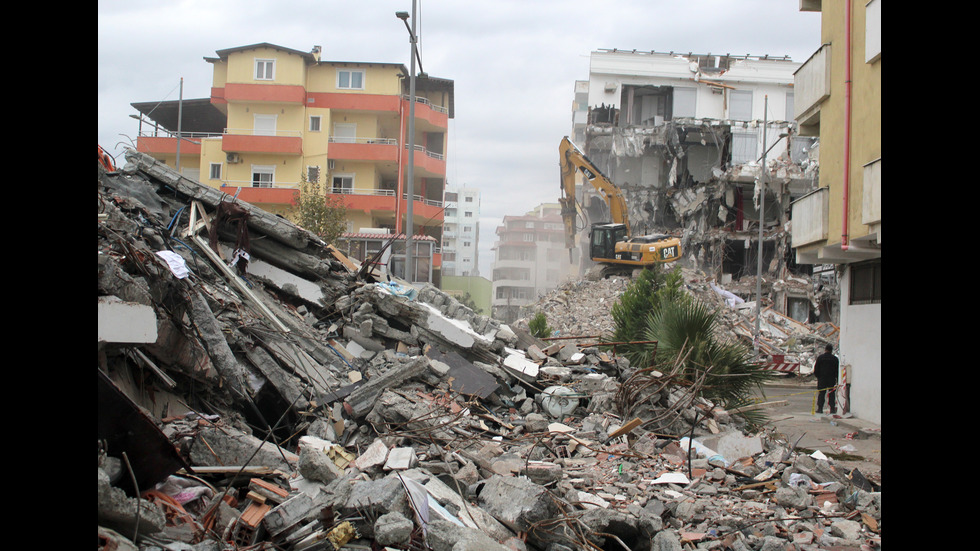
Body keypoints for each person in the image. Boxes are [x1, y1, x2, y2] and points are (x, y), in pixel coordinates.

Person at [813, 344, 840, 414]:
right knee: (831, 394)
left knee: (821, 393)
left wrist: (818, 377)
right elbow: (837, 371)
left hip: (822, 379)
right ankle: (832, 409)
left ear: (825, 349)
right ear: (831, 350)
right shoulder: (835, 359)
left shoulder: (820, 358)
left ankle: (820, 408)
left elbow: (816, 369)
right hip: (831, 379)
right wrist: (837, 379)